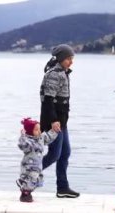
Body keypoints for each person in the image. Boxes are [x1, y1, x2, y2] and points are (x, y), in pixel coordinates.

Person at [40, 44, 80, 198]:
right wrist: (53, 121)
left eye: (72, 58)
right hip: (54, 122)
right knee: (54, 154)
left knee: (65, 153)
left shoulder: (63, 73)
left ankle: (62, 188)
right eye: (69, 58)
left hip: (61, 122)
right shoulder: (54, 74)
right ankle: (29, 174)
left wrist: (60, 121)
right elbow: (48, 100)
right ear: (61, 58)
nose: (71, 61)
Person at [16, 118, 58, 202]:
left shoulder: (40, 138)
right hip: (29, 166)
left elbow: (48, 137)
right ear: (29, 131)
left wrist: (54, 131)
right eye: (36, 130)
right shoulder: (28, 142)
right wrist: (23, 136)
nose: (39, 132)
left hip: (38, 166)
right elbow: (22, 145)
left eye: (39, 129)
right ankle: (25, 194)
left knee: (37, 180)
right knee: (30, 180)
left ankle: (24, 186)